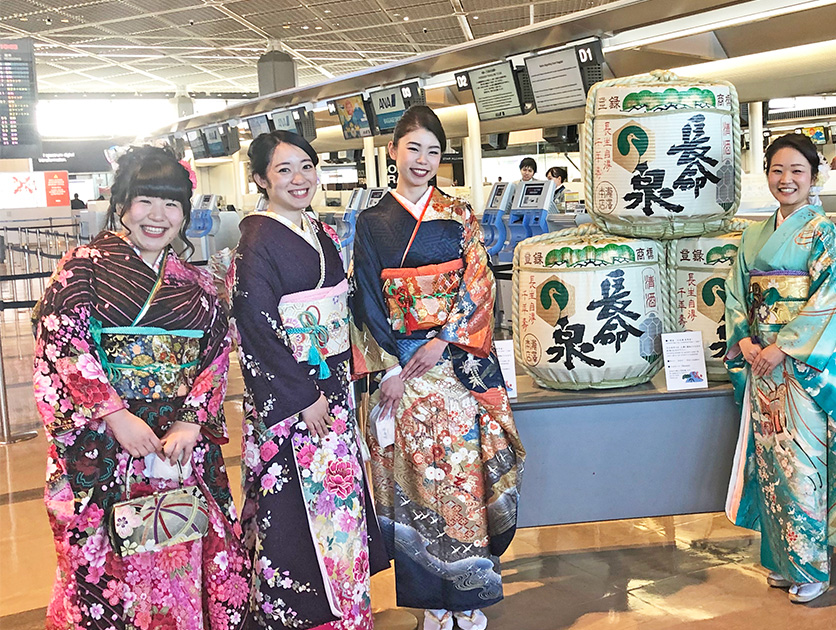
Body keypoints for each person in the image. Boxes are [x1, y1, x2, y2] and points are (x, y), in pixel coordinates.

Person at [32, 146, 251, 629]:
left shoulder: (194, 284)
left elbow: (214, 354)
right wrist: (114, 415)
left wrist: (192, 420)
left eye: (171, 204)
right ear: (122, 203)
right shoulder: (81, 269)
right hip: (106, 440)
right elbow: (62, 345)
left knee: (180, 548)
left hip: (175, 444)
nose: (158, 216)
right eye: (146, 200)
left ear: (186, 215)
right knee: (107, 564)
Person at [350, 105, 524, 630]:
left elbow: (479, 283)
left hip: (456, 370)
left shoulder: (458, 213)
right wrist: (395, 366)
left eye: (433, 151)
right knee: (416, 485)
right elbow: (364, 300)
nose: (422, 160)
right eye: (413, 148)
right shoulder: (371, 222)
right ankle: (430, 603)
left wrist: (445, 341)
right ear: (392, 153)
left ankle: (468, 596)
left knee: (462, 479)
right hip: (403, 374)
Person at [229, 130, 388, 630]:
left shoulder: (316, 229)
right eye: (283, 170)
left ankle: (345, 606)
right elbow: (255, 324)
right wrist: (301, 397)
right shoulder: (256, 241)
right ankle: (301, 616)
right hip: (296, 400)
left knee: (337, 502)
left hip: (332, 386)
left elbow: (342, 305)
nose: (299, 179)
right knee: (296, 507)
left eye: (306, 166)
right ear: (259, 179)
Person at [724, 133, 836, 605]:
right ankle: (780, 559)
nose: (786, 179)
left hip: (801, 370)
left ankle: (811, 566)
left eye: (797, 171)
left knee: (802, 464)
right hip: (762, 364)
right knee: (771, 464)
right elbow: (736, 295)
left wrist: (784, 347)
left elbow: (830, 300)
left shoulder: (825, 234)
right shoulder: (753, 233)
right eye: (777, 170)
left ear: (814, 177)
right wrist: (747, 340)